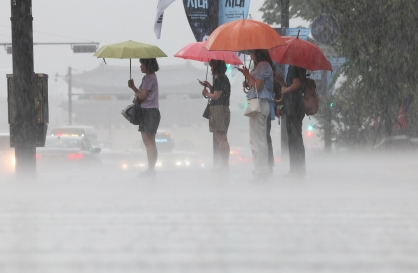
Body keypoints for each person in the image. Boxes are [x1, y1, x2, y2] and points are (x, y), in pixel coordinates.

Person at [238, 50, 275, 181]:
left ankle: (260, 171)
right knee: (260, 139)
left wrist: (247, 74)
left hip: (259, 104)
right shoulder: (263, 65)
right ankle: (262, 170)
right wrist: (247, 79)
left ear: (258, 54)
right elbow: (255, 84)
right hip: (262, 104)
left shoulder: (263, 65)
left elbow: (258, 86)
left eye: (252, 53)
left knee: (257, 140)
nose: (251, 56)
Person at [128, 58, 161, 176]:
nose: (141, 66)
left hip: (147, 112)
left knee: (148, 142)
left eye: (142, 64)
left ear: (147, 65)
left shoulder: (148, 78)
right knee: (152, 141)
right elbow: (143, 93)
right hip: (154, 112)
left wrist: (136, 98)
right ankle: (152, 168)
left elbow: (142, 97)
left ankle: (151, 169)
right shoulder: (152, 77)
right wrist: (133, 87)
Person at [274, 65, 306, 177]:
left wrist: (286, 89)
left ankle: (297, 169)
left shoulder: (294, 66)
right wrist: (280, 81)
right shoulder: (297, 66)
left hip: (294, 106)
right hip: (295, 106)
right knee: (294, 138)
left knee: (294, 138)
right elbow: (291, 85)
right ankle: (297, 168)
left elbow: (296, 84)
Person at [201, 59, 231, 171]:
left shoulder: (219, 79)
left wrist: (207, 93)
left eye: (212, 66)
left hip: (218, 109)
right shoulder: (224, 79)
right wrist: (210, 86)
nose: (211, 68)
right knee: (222, 137)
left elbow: (217, 96)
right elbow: (220, 93)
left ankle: (224, 164)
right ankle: (224, 163)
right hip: (223, 109)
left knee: (221, 138)